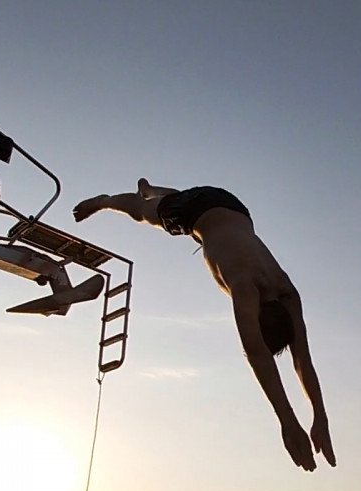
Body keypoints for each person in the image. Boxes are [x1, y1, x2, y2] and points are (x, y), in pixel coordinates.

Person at [73, 179, 335, 472]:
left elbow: (302, 360)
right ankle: (105, 201)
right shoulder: (247, 288)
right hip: (196, 211)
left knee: (183, 211)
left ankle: (152, 190)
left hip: (234, 207)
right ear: (258, 317)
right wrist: (288, 421)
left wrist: (320, 417)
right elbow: (259, 355)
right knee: (143, 213)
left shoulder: (286, 290)